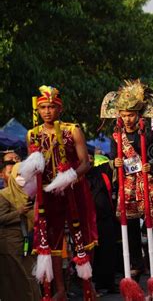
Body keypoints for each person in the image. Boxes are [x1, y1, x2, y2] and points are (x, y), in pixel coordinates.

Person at [26, 85, 98, 300]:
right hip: (47, 193)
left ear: (60, 108)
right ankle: (59, 289)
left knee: (84, 236)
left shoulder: (72, 129)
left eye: (51, 107)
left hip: (74, 189)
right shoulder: (33, 134)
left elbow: (86, 163)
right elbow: (32, 169)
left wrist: (68, 178)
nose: (47, 111)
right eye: (43, 108)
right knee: (50, 240)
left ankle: (87, 282)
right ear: (38, 110)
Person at [110, 80, 153, 282]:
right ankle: (135, 262)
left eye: (131, 115)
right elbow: (111, 160)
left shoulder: (149, 134)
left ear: (139, 115)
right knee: (130, 223)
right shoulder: (117, 136)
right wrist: (114, 162)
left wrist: (151, 165)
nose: (127, 119)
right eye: (124, 115)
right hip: (127, 184)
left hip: (146, 180)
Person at [0, 160, 40, 301]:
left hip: (27, 243)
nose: (22, 178)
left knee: (31, 279)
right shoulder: (4, 194)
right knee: (17, 282)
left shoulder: (29, 194)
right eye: (18, 174)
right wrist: (19, 212)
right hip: (10, 245)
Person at [85, 151, 117, 295]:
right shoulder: (77, 177)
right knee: (94, 255)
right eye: (86, 158)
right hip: (88, 222)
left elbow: (113, 164)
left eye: (91, 158)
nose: (89, 160)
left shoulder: (101, 172)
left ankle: (109, 283)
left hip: (106, 219)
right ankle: (94, 284)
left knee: (109, 251)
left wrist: (116, 162)